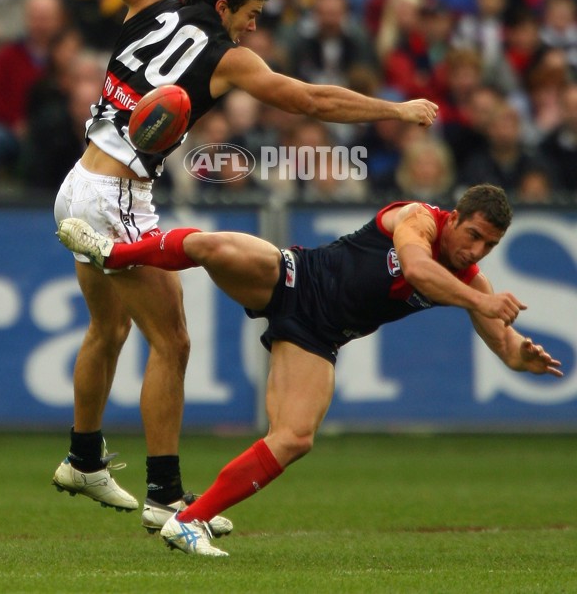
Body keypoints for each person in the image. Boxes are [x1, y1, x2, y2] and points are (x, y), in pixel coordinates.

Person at [1, 0, 438, 532]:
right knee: (172, 342)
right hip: (116, 195)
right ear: (227, 7)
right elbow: (309, 100)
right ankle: (167, 495)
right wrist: (395, 107)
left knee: (106, 331)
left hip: (78, 180)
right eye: (253, 17)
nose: (254, 32)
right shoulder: (226, 56)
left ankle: (83, 458)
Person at [57, 183, 563, 557]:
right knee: (213, 248)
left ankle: (187, 520)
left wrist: (521, 356)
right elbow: (416, 268)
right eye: (473, 235)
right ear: (455, 218)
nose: (475, 251)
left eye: (488, 247)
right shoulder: (419, 219)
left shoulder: (471, 280)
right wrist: (484, 302)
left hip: (317, 337)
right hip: (295, 277)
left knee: (295, 437)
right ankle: (110, 250)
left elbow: (504, 345)